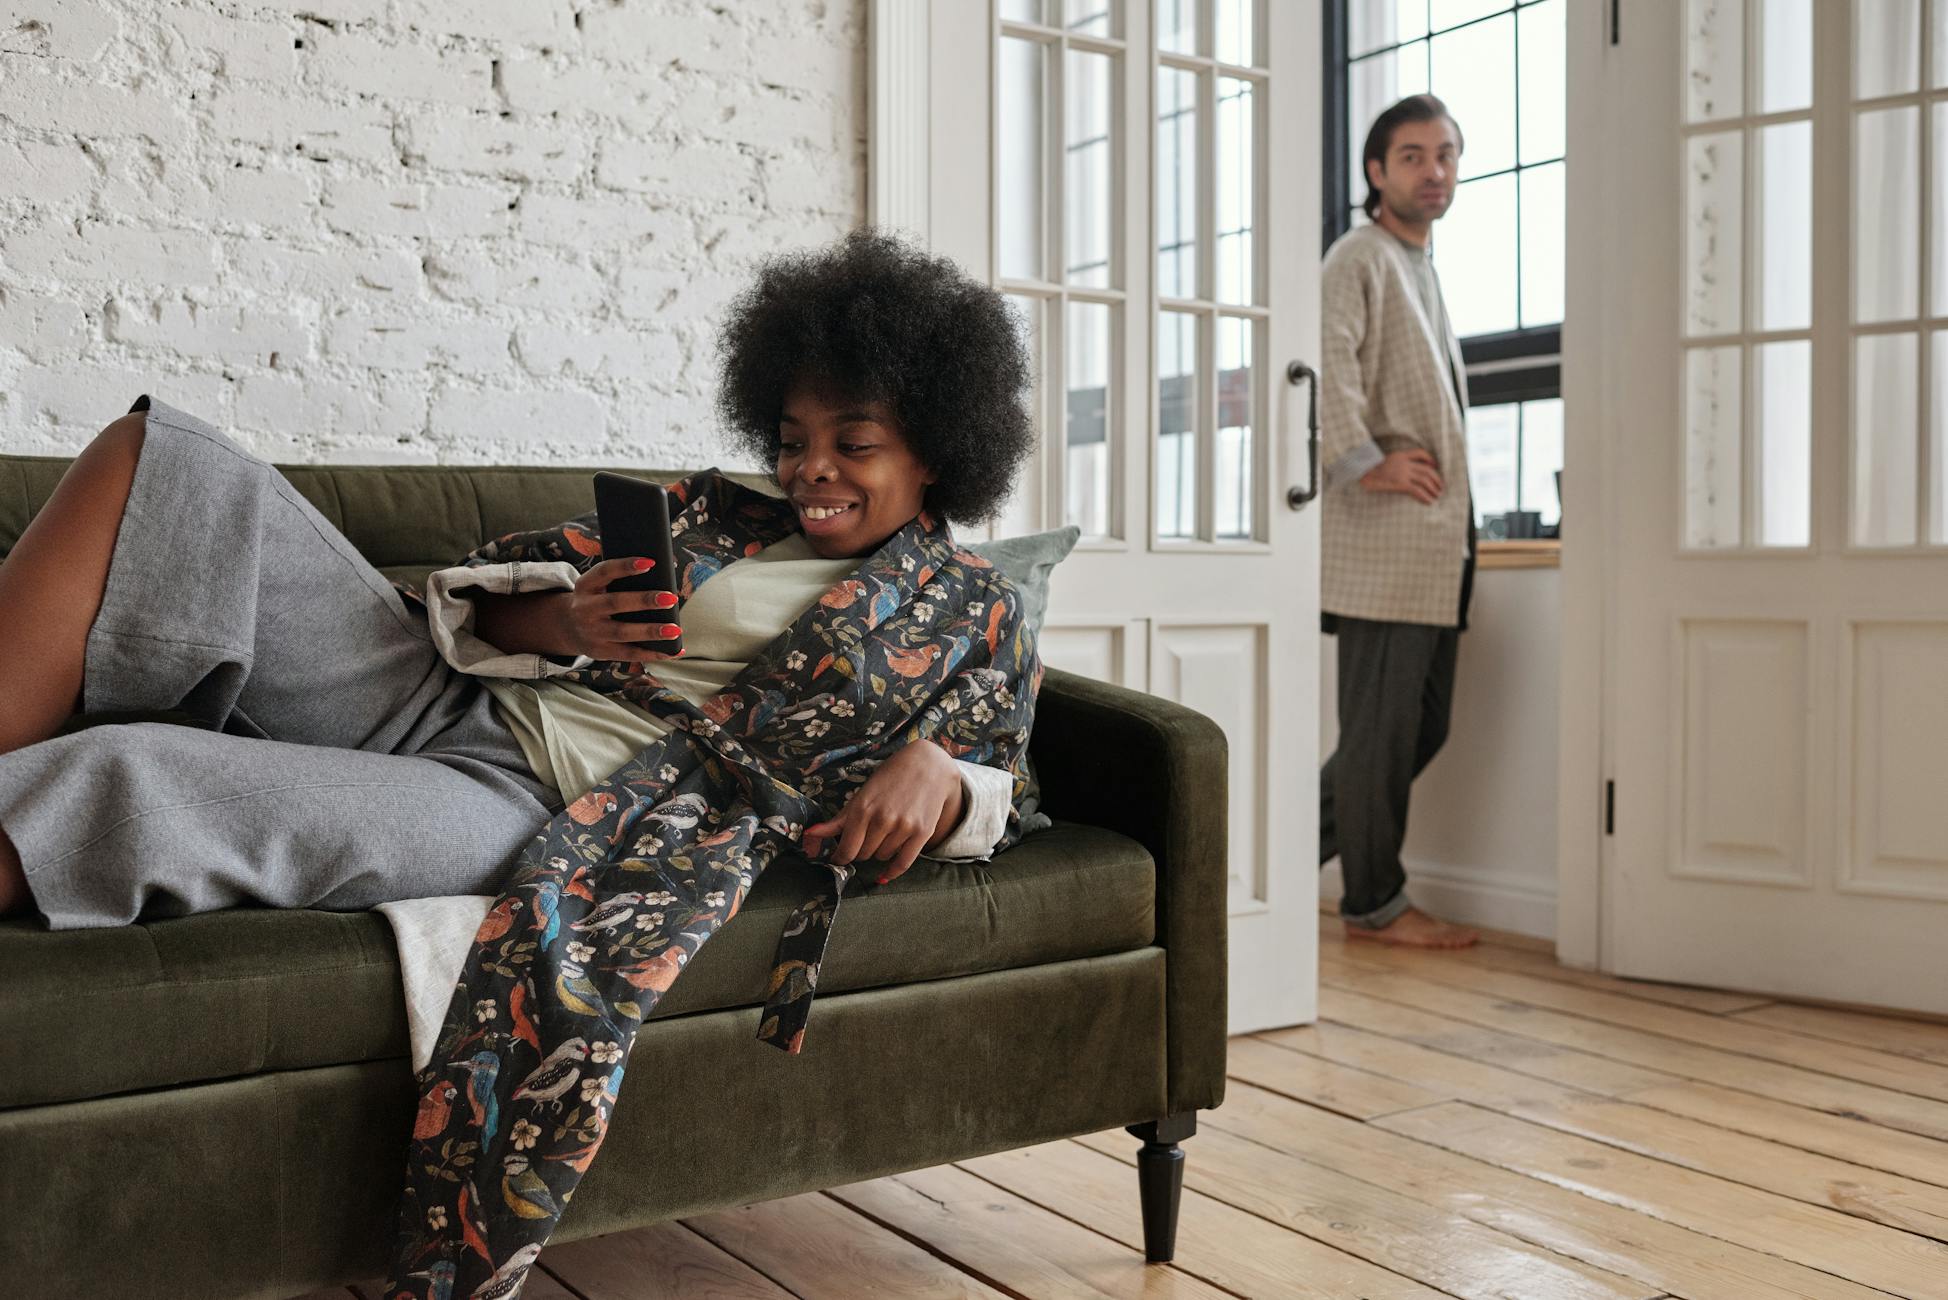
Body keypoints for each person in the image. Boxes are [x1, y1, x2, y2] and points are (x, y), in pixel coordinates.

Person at [0, 229, 1045, 1297]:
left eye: (852, 443)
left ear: (934, 450)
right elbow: (483, 589)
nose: (809, 469)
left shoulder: (976, 609)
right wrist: (567, 619)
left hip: (536, 801)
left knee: (133, 776)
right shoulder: (721, 515)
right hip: (440, 688)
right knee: (171, 465)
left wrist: (941, 771)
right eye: (791, 440)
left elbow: (1007, 786)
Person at [1316, 94, 1480, 950]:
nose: (1434, 170)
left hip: (1436, 545)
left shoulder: (1420, 264)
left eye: (1446, 154)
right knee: (1379, 736)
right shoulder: (1359, 256)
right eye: (1413, 155)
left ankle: (1244, 860)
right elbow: (1321, 366)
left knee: (1419, 726)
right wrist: (1366, 462)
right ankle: (1374, 903)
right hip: (1383, 544)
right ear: (1377, 172)